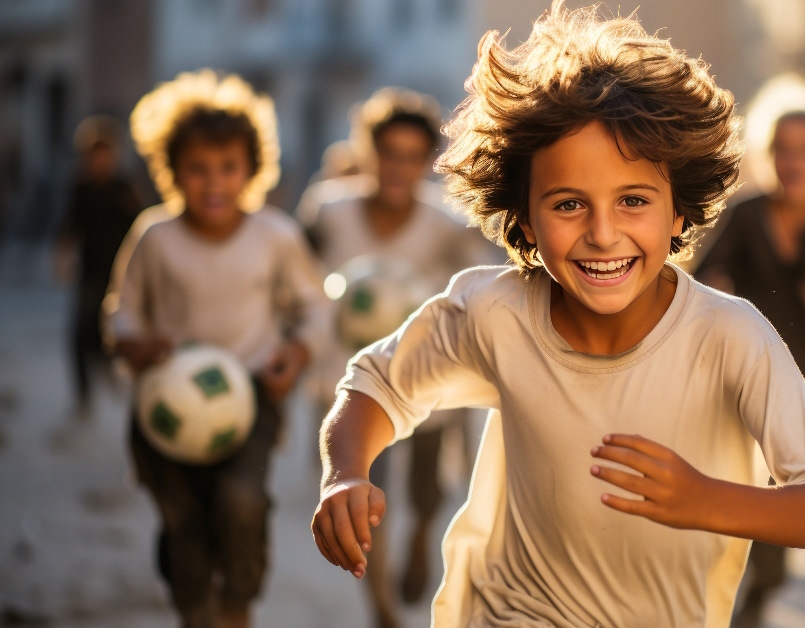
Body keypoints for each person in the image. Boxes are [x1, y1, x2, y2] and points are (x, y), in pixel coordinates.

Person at [311, 4, 805, 626]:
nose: (603, 234)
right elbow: (375, 382)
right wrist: (344, 474)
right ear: (524, 219)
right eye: (568, 204)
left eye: (633, 200)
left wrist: (706, 500)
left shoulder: (729, 336)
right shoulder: (494, 311)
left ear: (679, 213)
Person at [107, 70, 331, 628]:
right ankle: (193, 611)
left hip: (251, 394)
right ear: (172, 171)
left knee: (241, 503)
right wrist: (134, 344)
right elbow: (121, 310)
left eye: (228, 168)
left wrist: (297, 354)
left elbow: (316, 307)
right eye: (197, 169)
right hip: (165, 403)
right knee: (183, 523)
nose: (213, 182)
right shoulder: (154, 236)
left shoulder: (275, 236)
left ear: (252, 170)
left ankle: (237, 601)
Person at [297, 87, 500, 627]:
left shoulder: (447, 224)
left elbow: (480, 283)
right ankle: (382, 607)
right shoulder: (327, 211)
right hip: (355, 378)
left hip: (429, 378)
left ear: (426, 162)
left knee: (429, 491)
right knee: (365, 489)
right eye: (388, 154)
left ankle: (418, 543)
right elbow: (295, 283)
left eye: (412, 157)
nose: (398, 168)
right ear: (368, 153)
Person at [694, 110, 805, 626]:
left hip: (800, 397)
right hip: (732, 384)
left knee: (776, 514)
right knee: (727, 501)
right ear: (769, 157)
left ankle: (753, 599)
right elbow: (699, 279)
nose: (793, 162)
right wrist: (716, 284)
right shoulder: (746, 216)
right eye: (783, 150)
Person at [56, 114, 143, 416]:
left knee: (115, 331)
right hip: (91, 272)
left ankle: (118, 379)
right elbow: (69, 226)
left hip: (120, 273)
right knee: (79, 333)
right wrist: (62, 256)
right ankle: (83, 397)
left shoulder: (123, 189)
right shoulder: (80, 187)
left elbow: (140, 229)